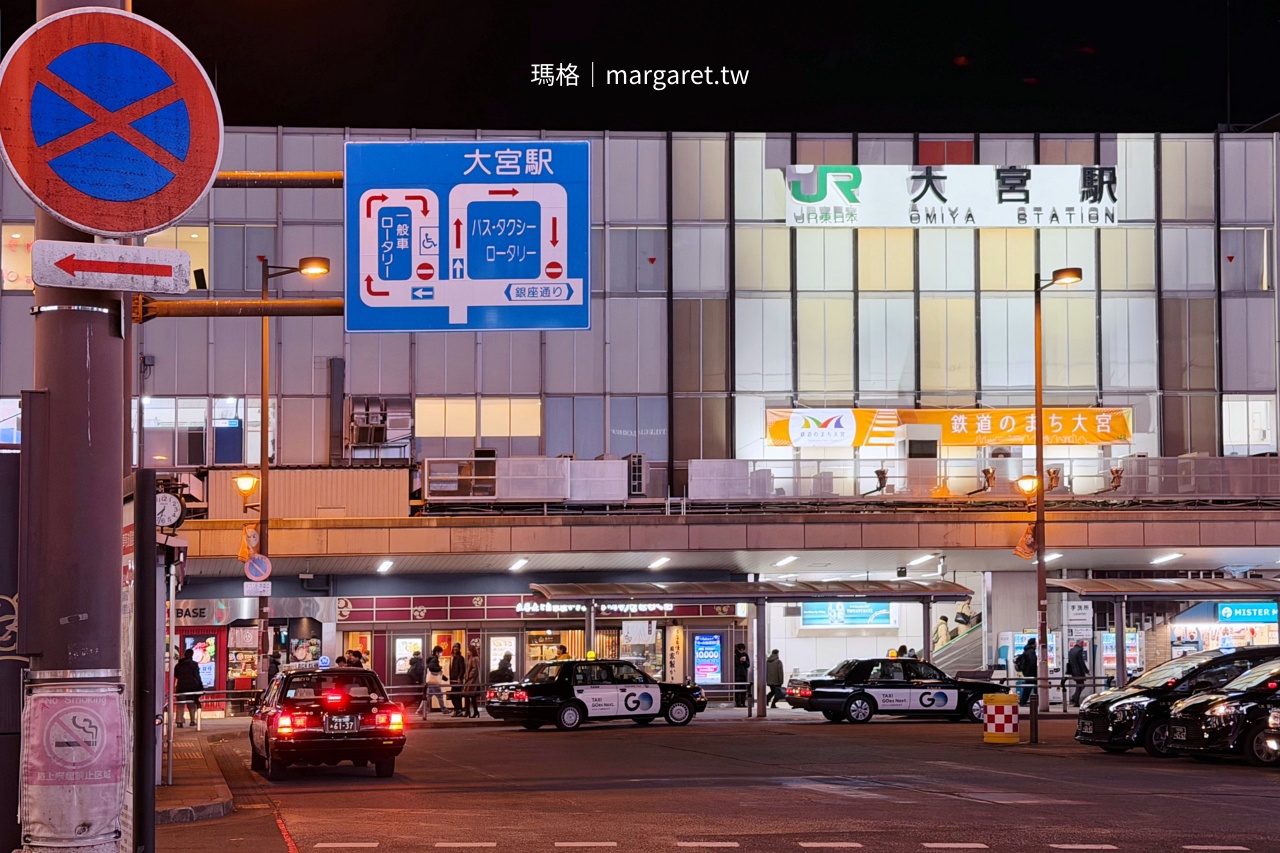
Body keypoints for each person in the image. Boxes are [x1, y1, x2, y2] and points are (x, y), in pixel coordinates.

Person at [174, 649, 204, 728]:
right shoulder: (194, 664)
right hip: (191, 687)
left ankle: (179, 721)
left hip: (181, 687)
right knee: (192, 704)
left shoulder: (178, 665)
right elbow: (197, 676)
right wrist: (200, 685)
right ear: (192, 655)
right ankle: (192, 721)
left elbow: (176, 675)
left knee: (180, 704)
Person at [422, 645, 448, 714]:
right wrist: (440, 668)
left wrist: (443, 677)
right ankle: (444, 710)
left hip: (431, 681)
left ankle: (420, 710)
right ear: (437, 652)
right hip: (434, 682)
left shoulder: (431, 658)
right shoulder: (435, 659)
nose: (441, 654)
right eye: (440, 652)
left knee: (428, 696)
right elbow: (432, 668)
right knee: (439, 696)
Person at [1067, 639, 1090, 706]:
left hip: (1073, 671)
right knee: (1080, 685)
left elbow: (1070, 661)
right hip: (1079, 671)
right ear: (1080, 643)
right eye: (1082, 643)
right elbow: (1081, 662)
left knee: (1080, 685)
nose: (1083, 645)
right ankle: (1075, 699)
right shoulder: (1079, 650)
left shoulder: (1071, 650)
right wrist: (1086, 671)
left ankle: (1075, 698)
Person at [1016, 638, 1038, 705]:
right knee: (1031, 688)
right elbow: (1032, 662)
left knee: (1028, 688)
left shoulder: (1026, 651)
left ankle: (1024, 702)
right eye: (1035, 643)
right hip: (1031, 673)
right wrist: (1036, 671)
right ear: (1033, 644)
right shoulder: (1031, 652)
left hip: (1027, 672)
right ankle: (1024, 702)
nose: (1036, 644)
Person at [463, 644, 482, 718]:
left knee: (471, 696)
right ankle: (470, 711)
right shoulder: (471, 658)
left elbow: (475, 669)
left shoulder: (475, 659)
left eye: (468, 650)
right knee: (468, 696)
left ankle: (474, 711)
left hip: (473, 680)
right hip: (470, 680)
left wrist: (469, 676)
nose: (467, 652)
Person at [449, 642, 467, 716]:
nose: (455, 648)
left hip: (458, 680)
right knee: (453, 695)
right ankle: (457, 710)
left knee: (456, 695)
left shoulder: (460, 658)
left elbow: (462, 669)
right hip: (452, 680)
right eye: (454, 647)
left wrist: (460, 677)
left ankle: (458, 710)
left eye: (457, 647)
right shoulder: (452, 657)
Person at [733, 643, 751, 708]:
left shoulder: (745, 655)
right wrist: (740, 661)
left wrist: (744, 661)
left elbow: (748, 665)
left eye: (743, 650)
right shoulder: (735, 655)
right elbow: (734, 664)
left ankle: (743, 702)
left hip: (744, 674)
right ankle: (738, 702)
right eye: (740, 650)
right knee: (737, 689)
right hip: (737, 674)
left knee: (744, 689)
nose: (742, 651)